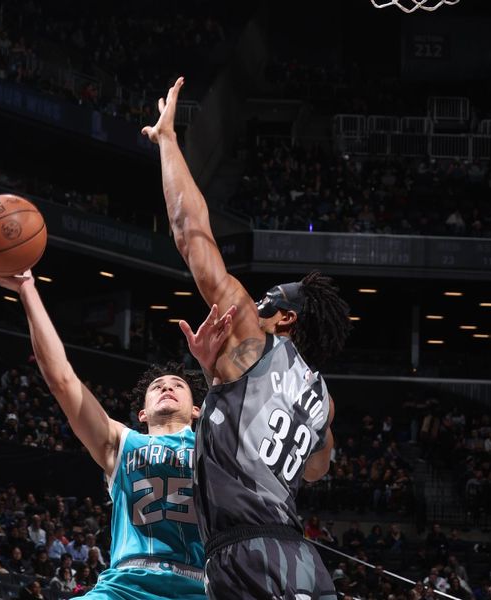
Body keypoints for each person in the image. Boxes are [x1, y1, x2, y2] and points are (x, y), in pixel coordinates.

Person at [143, 76, 352, 600]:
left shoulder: (250, 338)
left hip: (246, 556)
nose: (252, 303)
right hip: (299, 558)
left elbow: (191, 232)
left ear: (286, 321)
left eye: (266, 301)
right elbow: (319, 466)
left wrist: (169, 141)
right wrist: (218, 385)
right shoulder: (322, 397)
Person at [0, 268, 234, 600]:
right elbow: (62, 380)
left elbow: (241, 406)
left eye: (177, 385)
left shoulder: (212, 445)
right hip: (125, 586)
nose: (166, 387)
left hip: (198, 586)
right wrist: (27, 288)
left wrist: (210, 367)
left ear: (197, 408)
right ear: (142, 412)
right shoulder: (122, 442)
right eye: (157, 386)